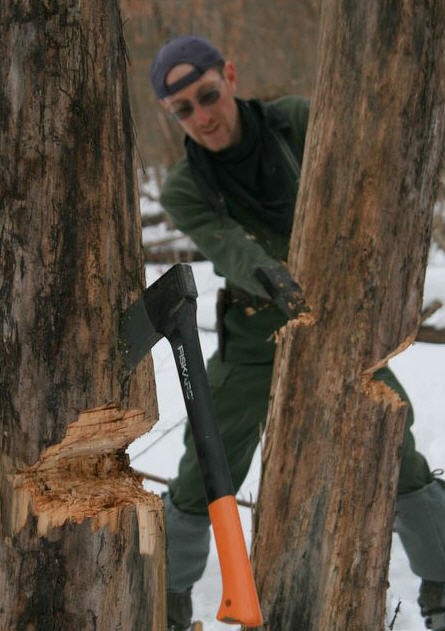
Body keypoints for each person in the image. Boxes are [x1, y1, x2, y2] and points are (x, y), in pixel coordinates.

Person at [149, 35, 445, 631]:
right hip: (255, 332)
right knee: (204, 467)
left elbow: (366, 180)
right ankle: (168, 601)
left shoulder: (297, 122)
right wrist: (266, 272)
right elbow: (225, 246)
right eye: (184, 109)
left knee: (396, 448)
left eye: (207, 95)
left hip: (340, 324)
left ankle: (440, 585)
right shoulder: (185, 185)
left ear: (229, 75)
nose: (202, 116)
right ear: (171, 114)